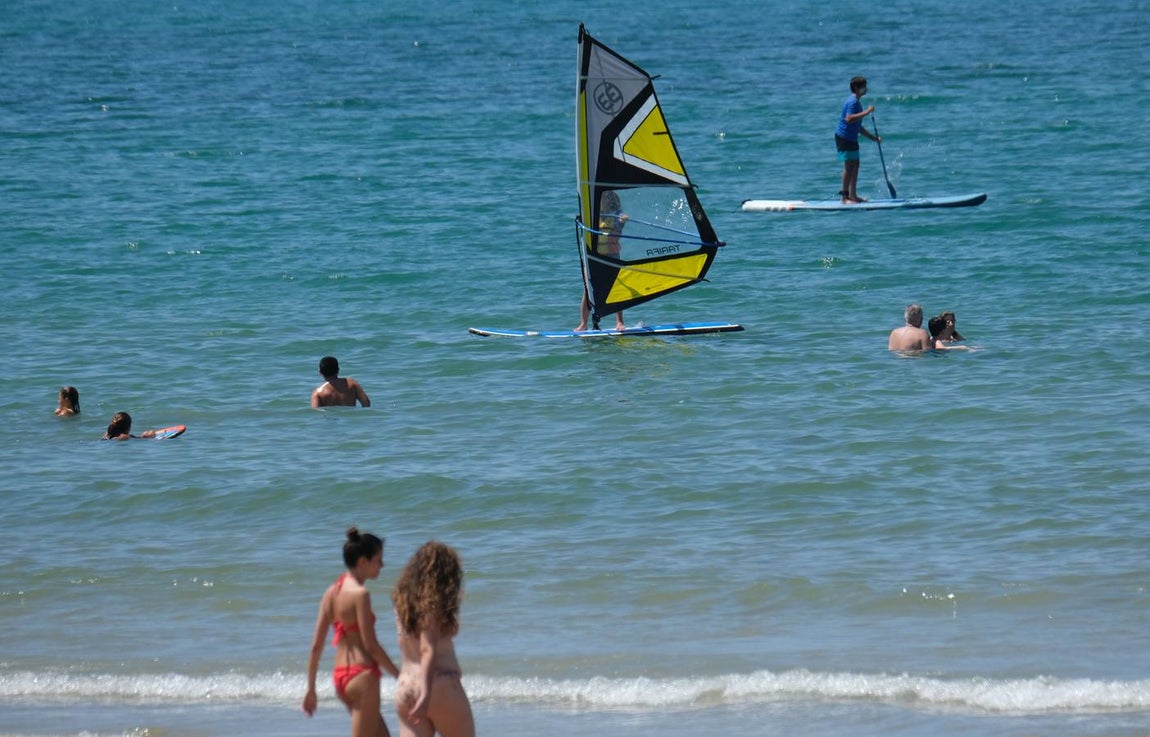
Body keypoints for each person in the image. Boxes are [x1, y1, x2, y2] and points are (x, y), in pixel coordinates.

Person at [303, 527, 401, 737]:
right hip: (363, 677)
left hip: (341, 678)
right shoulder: (360, 594)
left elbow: (316, 646)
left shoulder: (331, 593)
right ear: (363, 562)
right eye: (378, 560)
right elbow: (371, 647)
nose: (382, 565)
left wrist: (311, 689)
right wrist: (399, 676)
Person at [391, 541, 474, 737]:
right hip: (439, 686)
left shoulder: (402, 604)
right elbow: (427, 649)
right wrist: (425, 694)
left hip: (406, 686)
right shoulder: (431, 605)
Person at [576, 191, 629, 332]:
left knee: (616, 289)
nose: (606, 201)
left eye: (608, 199)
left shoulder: (616, 215)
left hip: (611, 257)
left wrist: (623, 220)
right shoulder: (592, 215)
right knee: (588, 290)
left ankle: (620, 322)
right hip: (594, 257)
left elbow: (622, 220)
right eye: (603, 199)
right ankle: (583, 324)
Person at [835, 76, 880, 204]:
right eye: (863, 86)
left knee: (855, 164)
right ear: (856, 88)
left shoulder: (857, 102)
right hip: (844, 137)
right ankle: (844, 198)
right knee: (849, 166)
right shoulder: (853, 102)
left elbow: (858, 127)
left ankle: (853, 195)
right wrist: (867, 112)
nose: (866, 89)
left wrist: (873, 138)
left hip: (851, 138)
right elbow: (849, 119)